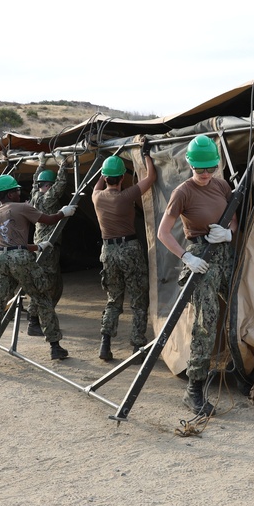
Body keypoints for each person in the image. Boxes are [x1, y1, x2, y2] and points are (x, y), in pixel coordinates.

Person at [156, 135, 237, 417]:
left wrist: (229, 232)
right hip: (200, 256)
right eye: (200, 169)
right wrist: (186, 257)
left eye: (210, 169)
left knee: (239, 309)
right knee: (206, 321)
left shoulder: (222, 185)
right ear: (190, 164)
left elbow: (234, 216)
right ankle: (194, 389)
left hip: (224, 253)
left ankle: (242, 366)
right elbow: (163, 233)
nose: (205, 174)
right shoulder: (183, 192)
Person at [0, 174, 76, 376]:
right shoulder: (21, 207)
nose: (20, 193)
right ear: (10, 193)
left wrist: (35, 247)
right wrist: (63, 213)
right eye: (17, 190)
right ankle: (55, 347)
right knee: (41, 298)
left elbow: (8, 244)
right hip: (20, 258)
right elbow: (48, 220)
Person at [91, 146, 156, 360]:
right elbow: (151, 177)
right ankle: (137, 347)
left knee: (113, 299)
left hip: (107, 250)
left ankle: (105, 343)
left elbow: (97, 185)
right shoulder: (126, 196)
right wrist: (146, 154)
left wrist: (104, 172)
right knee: (138, 300)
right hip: (129, 249)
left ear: (105, 177)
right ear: (121, 178)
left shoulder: (97, 197)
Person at [25, 152, 69, 336]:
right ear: (49, 185)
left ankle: (40, 318)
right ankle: (34, 321)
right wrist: (62, 162)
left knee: (55, 284)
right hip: (48, 247)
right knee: (45, 285)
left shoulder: (35, 195)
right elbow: (61, 183)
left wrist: (41, 163)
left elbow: (36, 180)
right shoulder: (48, 197)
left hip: (42, 245)